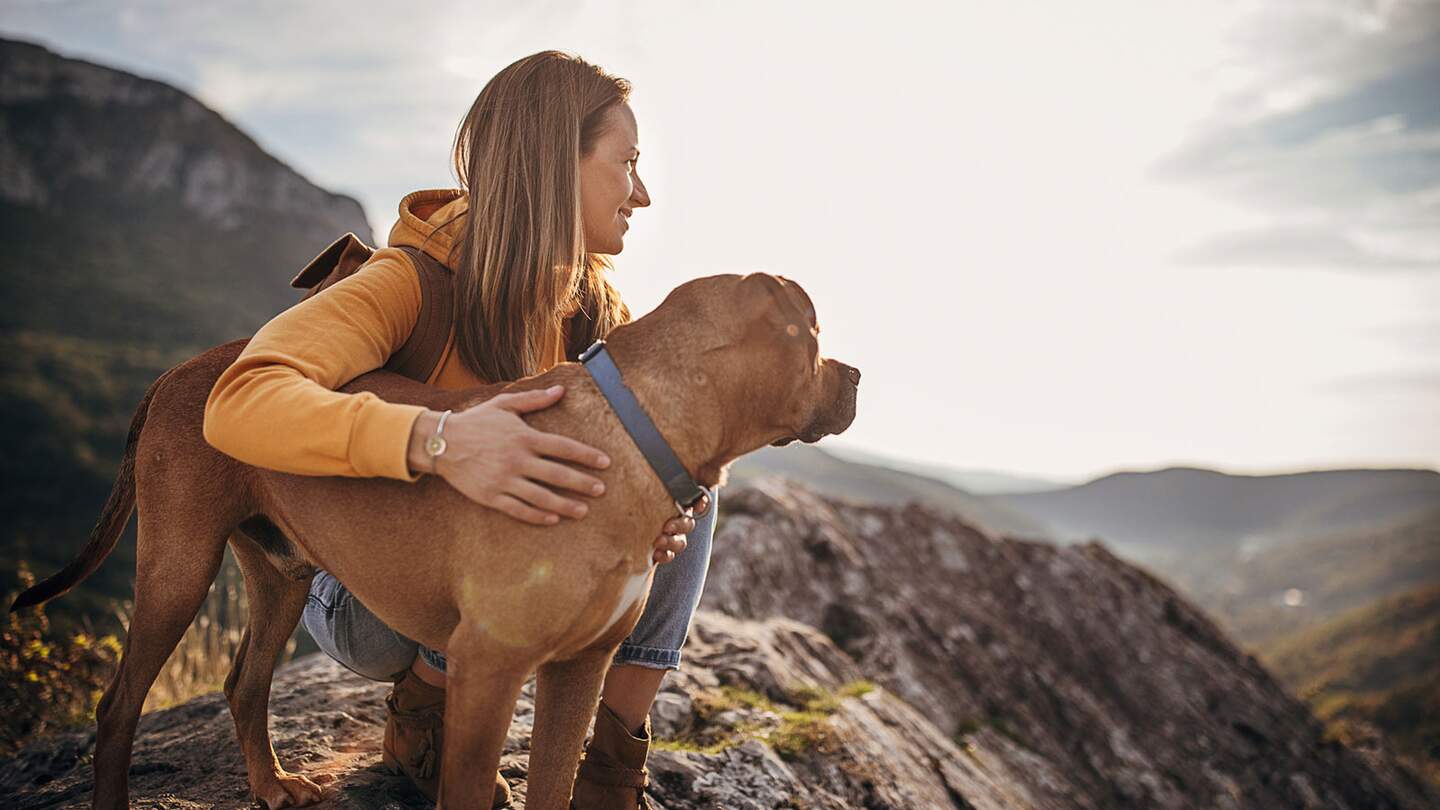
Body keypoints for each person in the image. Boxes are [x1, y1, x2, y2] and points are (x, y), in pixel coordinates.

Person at [202, 50, 716, 809]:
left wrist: (655, 519)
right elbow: (238, 398)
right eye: (627, 162)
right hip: (370, 598)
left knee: (686, 482)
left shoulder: (597, 315)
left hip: (491, 585)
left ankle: (609, 766)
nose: (640, 192)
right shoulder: (407, 280)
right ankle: (424, 716)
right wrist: (436, 443)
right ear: (551, 164)